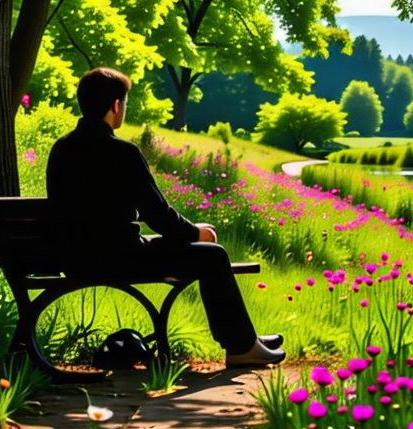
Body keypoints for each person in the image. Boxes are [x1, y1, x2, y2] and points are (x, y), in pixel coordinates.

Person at [46, 67, 285, 367]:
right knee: (213, 255)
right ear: (116, 106)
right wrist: (195, 233)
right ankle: (241, 347)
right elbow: (157, 215)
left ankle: (248, 340)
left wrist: (188, 231)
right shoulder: (122, 152)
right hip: (119, 257)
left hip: (75, 258)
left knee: (200, 250)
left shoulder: (62, 149)